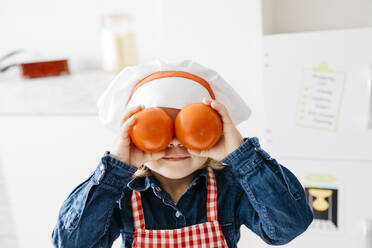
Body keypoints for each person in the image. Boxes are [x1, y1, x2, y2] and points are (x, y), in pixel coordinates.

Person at [51, 59, 313, 248]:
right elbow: (70, 244)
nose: (175, 143)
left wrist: (240, 154)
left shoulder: (230, 187)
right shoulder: (122, 194)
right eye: (159, 128)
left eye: (191, 127)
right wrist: (117, 167)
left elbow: (289, 226)